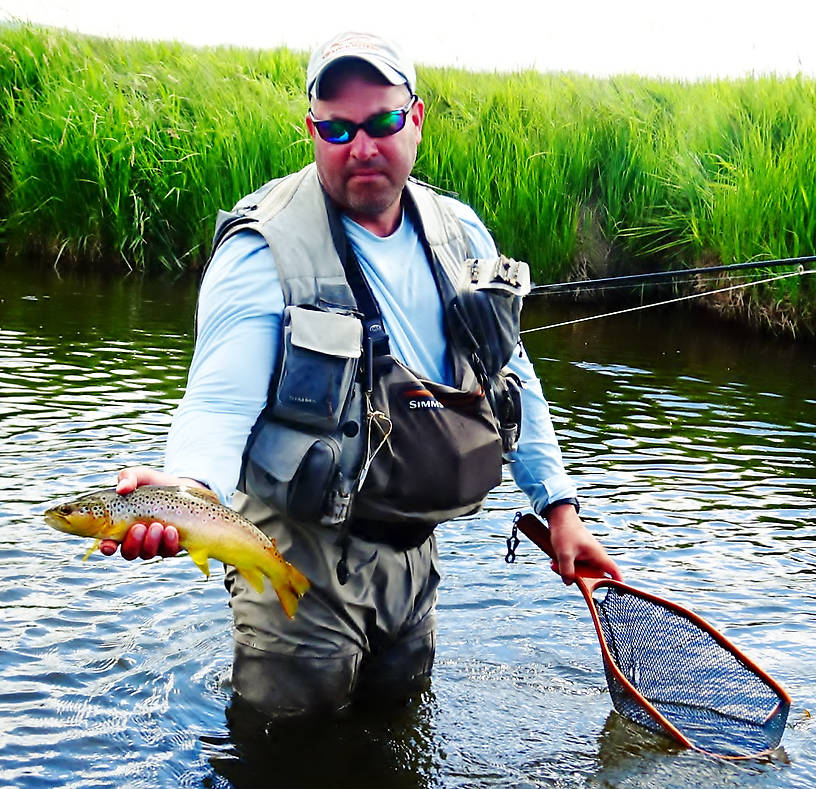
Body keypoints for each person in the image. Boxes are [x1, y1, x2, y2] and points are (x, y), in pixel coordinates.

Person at [104, 31, 622, 717]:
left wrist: (557, 505)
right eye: (337, 128)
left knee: (396, 732)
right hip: (298, 554)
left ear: (417, 118)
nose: (362, 146)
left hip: (416, 560)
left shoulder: (462, 232)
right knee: (287, 753)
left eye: (381, 122)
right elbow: (218, 402)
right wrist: (187, 490)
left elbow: (510, 371)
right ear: (311, 129)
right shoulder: (261, 249)